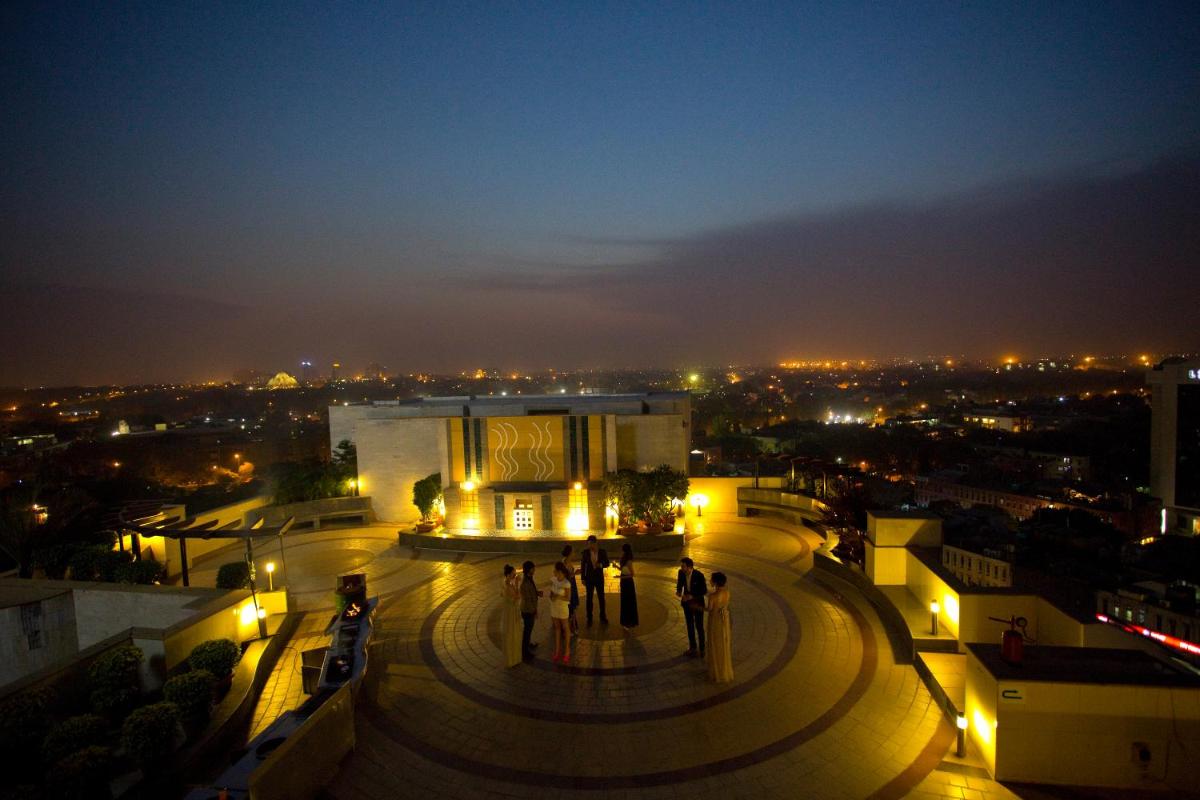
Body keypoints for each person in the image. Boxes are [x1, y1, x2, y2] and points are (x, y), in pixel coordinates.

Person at [675, 557, 707, 657]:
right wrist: (679, 591)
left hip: (697, 604)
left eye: (683, 566)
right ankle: (692, 647)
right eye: (681, 566)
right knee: (689, 625)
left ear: (690, 567)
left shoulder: (699, 575)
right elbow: (680, 583)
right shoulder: (681, 572)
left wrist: (691, 596)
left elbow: (703, 590)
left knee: (699, 626)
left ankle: (702, 649)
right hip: (687, 604)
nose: (681, 568)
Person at [705, 572, 732, 683]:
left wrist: (697, 607)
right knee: (723, 643)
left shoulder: (712, 596)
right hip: (724, 620)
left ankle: (716, 671)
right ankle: (723, 670)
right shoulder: (727, 593)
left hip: (715, 621)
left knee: (715, 644)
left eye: (711, 580)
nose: (710, 581)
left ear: (715, 582)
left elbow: (709, 609)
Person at [579, 534, 610, 626]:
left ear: (596, 543)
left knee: (601, 598)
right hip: (589, 578)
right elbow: (583, 565)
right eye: (588, 544)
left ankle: (603, 616)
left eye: (591, 544)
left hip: (599, 578)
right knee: (589, 598)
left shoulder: (602, 552)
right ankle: (589, 617)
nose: (589, 546)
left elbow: (607, 563)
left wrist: (601, 565)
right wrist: (583, 578)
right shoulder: (585, 552)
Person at [548, 562, 572, 662]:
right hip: (554, 607)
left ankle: (567, 650)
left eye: (555, 570)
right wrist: (552, 596)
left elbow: (568, 598)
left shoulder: (566, 583)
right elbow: (551, 593)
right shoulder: (553, 580)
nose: (553, 572)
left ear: (560, 571)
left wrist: (558, 596)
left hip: (562, 608)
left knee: (565, 628)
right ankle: (557, 650)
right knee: (557, 628)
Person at [519, 561, 543, 661]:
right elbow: (528, 599)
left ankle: (528, 644)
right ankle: (525, 652)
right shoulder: (525, 583)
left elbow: (531, 592)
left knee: (528, 629)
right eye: (533, 568)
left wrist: (537, 593)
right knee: (527, 631)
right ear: (529, 570)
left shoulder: (529, 579)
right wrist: (534, 611)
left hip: (529, 609)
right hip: (528, 610)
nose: (534, 570)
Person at [500, 564, 523, 668]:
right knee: (512, 634)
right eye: (514, 575)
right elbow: (517, 597)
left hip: (510, 612)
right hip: (511, 614)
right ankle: (512, 659)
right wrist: (518, 583)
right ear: (508, 575)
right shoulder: (508, 586)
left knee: (512, 634)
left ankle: (513, 658)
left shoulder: (506, 583)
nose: (515, 577)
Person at [618, 543, 639, 632]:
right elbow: (623, 570)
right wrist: (617, 567)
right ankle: (626, 621)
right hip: (624, 582)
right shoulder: (624, 560)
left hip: (628, 583)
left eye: (622, 550)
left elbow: (632, 574)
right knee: (624, 602)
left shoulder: (629, 561)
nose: (621, 551)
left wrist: (621, 577)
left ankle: (629, 622)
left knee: (628, 602)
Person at [561, 544, 581, 635]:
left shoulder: (569, 562)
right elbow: (563, 577)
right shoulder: (564, 563)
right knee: (570, 607)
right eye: (573, 552)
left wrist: (574, 573)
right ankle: (569, 628)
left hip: (572, 586)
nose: (574, 553)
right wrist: (574, 574)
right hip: (568, 587)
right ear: (569, 553)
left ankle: (573, 627)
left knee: (572, 607)